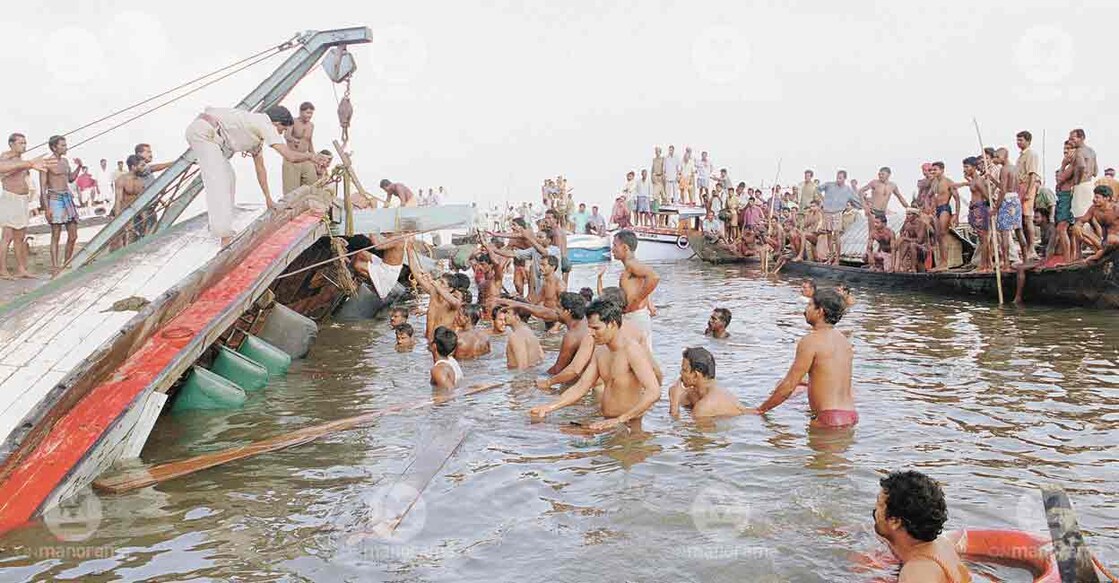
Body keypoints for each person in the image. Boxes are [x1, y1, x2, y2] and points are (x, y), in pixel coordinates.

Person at [184, 105, 328, 246]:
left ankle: (223, 230)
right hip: (204, 133)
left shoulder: (255, 136)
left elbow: (260, 169)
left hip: (209, 135)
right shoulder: (265, 123)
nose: (279, 133)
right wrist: (311, 156)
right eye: (282, 129)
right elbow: (290, 156)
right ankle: (224, 235)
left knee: (228, 178)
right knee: (219, 180)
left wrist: (268, 199)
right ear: (276, 123)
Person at [530, 299, 661, 432]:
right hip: (607, 423)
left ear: (612, 324)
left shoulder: (632, 350)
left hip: (629, 427)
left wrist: (620, 419)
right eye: (590, 328)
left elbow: (654, 391)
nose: (591, 333)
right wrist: (548, 407)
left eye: (596, 328)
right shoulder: (601, 351)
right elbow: (581, 386)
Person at [748, 288, 857, 428]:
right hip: (850, 415)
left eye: (810, 305)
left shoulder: (811, 341)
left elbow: (789, 385)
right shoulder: (844, 342)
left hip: (828, 417)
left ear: (820, 311)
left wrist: (761, 409)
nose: (805, 310)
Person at [874, 470, 973, 583]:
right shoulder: (941, 544)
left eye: (880, 505)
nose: (875, 510)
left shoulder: (917, 571)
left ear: (895, 521)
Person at [1, 133, 50, 279]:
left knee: (20, 236)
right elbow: (1, 168)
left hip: (22, 200)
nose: (24, 145)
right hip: (11, 198)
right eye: (21, 143)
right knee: (7, 236)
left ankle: (21, 269)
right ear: (12, 144)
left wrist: (31, 165)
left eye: (25, 143)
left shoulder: (19, 160)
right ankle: (2, 270)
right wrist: (30, 163)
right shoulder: (6, 156)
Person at [669, 347, 749, 419]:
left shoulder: (703, 408)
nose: (680, 373)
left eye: (684, 370)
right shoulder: (704, 392)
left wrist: (674, 403)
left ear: (696, 375)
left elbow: (687, 434)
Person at [39, 135, 81, 271]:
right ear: (54, 147)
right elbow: (42, 187)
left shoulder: (65, 161)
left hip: (67, 198)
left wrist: (79, 167)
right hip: (54, 199)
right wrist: (47, 208)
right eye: (62, 145)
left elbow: (70, 179)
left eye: (65, 144)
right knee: (55, 234)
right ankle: (55, 266)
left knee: (73, 235)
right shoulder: (46, 163)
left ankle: (67, 262)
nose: (66, 147)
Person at [613, 231, 659, 351]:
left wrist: (637, 300)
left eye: (614, 245)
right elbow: (643, 282)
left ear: (624, 247)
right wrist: (649, 303)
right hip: (637, 316)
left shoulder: (631, 264)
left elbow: (654, 277)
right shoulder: (632, 264)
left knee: (639, 358)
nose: (612, 249)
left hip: (635, 317)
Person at [407, 243, 464, 339]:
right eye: (439, 280)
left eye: (442, 283)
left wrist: (434, 283)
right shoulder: (433, 292)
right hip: (428, 340)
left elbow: (457, 304)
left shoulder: (453, 301)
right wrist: (409, 251)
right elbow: (416, 272)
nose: (438, 283)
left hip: (443, 343)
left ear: (450, 289)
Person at [819, 170, 865, 264]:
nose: (838, 180)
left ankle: (837, 259)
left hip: (837, 213)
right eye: (837, 177)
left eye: (840, 178)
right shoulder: (829, 184)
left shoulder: (847, 189)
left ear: (844, 178)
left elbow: (857, 202)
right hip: (828, 212)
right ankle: (830, 256)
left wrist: (864, 205)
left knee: (836, 234)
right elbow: (817, 189)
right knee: (828, 235)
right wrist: (823, 199)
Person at [959, 157, 993, 272]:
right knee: (981, 238)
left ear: (974, 167)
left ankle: (984, 265)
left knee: (984, 239)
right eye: (964, 167)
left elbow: (987, 196)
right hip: (975, 208)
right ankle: (987, 264)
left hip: (980, 209)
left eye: (967, 167)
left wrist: (985, 209)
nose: (965, 169)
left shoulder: (978, 180)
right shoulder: (973, 180)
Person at [1072, 185, 1119, 262]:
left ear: (1107, 198)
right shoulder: (1094, 209)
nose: (1094, 199)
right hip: (1104, 243)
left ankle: (1099, 255)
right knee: (1075, 229)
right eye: (1094, 197)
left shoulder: (1116, 209)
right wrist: (1077, 226)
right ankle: (1099, 253)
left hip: (1115, 240)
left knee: (1111, 239)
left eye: (1097, 197)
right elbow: (1081, 221)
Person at [928, 162, 961, 270]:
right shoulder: (934, 183)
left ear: (942, 170)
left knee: (943, 234)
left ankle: (945, 263)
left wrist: (957, 215)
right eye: (932, 170)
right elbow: (929, 196)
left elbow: (957, 199)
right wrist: (930, 207)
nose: (933, 172)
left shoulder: (948, 182)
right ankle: (942, 262)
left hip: (945, 209)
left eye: (935, 170)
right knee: (938, 236)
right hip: (937, 210)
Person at [1054, 140, 1083, 262]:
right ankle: (1071, 257)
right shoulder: (1071, 165)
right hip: (1064, 195)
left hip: (1066, 196)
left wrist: (1062, 165)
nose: (1066, 152)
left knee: (1062, 228)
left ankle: (1067, 259)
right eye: (1064, 149)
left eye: (1068, 149)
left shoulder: (1072, 166)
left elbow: (1060, 179)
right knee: (1068, 229)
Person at [113, 154, 151, 246]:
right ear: (133, 167)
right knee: (129, 235)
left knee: (145, 229)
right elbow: (118, 201)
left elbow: (142, 199)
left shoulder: (141, 180)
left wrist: (144, 218)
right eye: (142, 165)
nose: (144, 167)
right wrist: (118, 219)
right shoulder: (121, 180)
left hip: (138, 210)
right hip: (125, 211)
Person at [1015, 131, 1042, 261]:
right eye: (1017, 140)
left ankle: (1031, 248)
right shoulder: (1021, 156)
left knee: (1027, 218)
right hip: (1020, 187)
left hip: (1027, 186)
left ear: (1027, 141)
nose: (1018, 142)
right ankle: (1025, 248)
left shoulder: (1031, 154)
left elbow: (1032, 174)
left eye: (1021, 140)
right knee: (1020, 220)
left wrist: (1028, 191)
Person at [282, 102, 318, 195]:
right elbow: (286, 135)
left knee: (313, 184)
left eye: (311, 113)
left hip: (305, 158)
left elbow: (309, 141)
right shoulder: (292, 121)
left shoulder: (311, 125)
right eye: (307, 113)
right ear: (301, 112)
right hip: (292, 159)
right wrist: (293, 140)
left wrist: (314, 156)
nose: (309, 116)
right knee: (291, 191)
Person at [499, 304, 544, 370]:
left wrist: (520, 380)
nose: (505, 315)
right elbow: (541, 357)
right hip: (532, 377)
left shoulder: (516, 336)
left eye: (508, 313)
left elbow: (523, 366)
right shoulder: (530, 333)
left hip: (520, 378)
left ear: (517, 317)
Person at [1068, 128, 1098, 220]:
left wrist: (1077, 181)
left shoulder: (1079, 151)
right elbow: (1095, 171)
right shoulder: (1091, 151)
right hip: (1090, 185)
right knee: (1091, 217)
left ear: (1081, 138)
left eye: (1073, 139)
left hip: (1081, 185)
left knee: (1079, 218)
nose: (1070, 141)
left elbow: (1081, 166)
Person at [895, 208, 930, 272]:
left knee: (912, 244)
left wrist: (905, 238)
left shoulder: (921, 224)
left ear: (915, 215)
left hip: (924, 247)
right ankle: (900, 264)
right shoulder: (907, 223)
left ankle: (913, 267)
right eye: (906, 214)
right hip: (912, 244)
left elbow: (920, 240)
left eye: (909, 214)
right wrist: (903, 238)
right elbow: (901, 233)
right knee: (904, 243)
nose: (907, 216)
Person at [429, 326, 463, 390]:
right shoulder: (452, 361)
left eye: (432, 338)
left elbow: (450, 393)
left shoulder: (439, 370)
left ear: (434, 346)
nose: (429, 340)